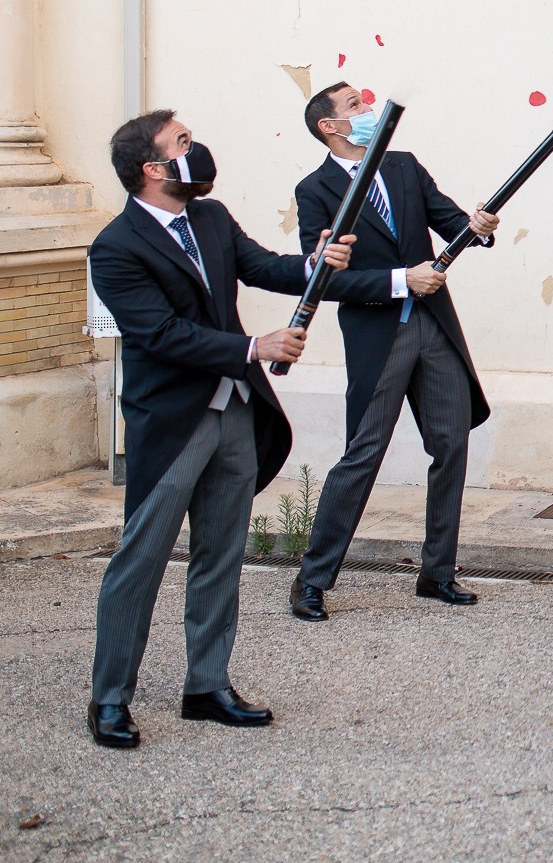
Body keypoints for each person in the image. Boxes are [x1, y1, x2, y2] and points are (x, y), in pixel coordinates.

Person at [85, 110, 355, 749]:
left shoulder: (210, 217)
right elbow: (159, 335)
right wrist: (253, 348)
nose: (196, 147)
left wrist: (316, 261)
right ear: (153, 169)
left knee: (221, 554)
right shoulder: (116, 247)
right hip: (171, 423)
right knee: (141, 560)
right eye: (182, 142)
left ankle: (207, 686)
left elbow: (263, 267)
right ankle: (110, 699)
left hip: (235, 412)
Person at [287, 82, 499, 621]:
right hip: (379, 337)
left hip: (435, 328)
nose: (367, 110)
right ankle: (312, 580)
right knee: (364, 454)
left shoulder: (403, 166)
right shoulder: (314, 190)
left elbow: (450, 223)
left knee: (451, 445)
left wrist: (477, 227)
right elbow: (326, 281)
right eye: (353, 107)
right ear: (328, 127)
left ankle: (438, 573)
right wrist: (401, 279)